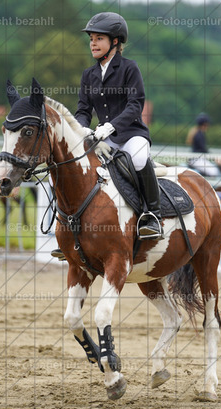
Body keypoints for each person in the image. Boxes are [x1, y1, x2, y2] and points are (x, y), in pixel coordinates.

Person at [76, 12, 162, 239]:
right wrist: (82, 128)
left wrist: (110, 126)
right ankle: (73, 226)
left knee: (139, 158)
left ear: (115, 41)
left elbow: (135, 105)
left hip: (132, 134)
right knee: (77, 164)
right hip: (103, 138)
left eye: (99, 39)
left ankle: (152, 215)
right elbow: (83, 110)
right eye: (91, 39)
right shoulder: (88, 75)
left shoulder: (129, 68)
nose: (93, 43)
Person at [186, 113, 221, 178]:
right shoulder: (199, 134)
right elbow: (204, 149)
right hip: (197, 160)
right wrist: (215, 159)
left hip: (198, 159)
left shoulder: (199, 133)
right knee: (214, 172)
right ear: (204, 124)